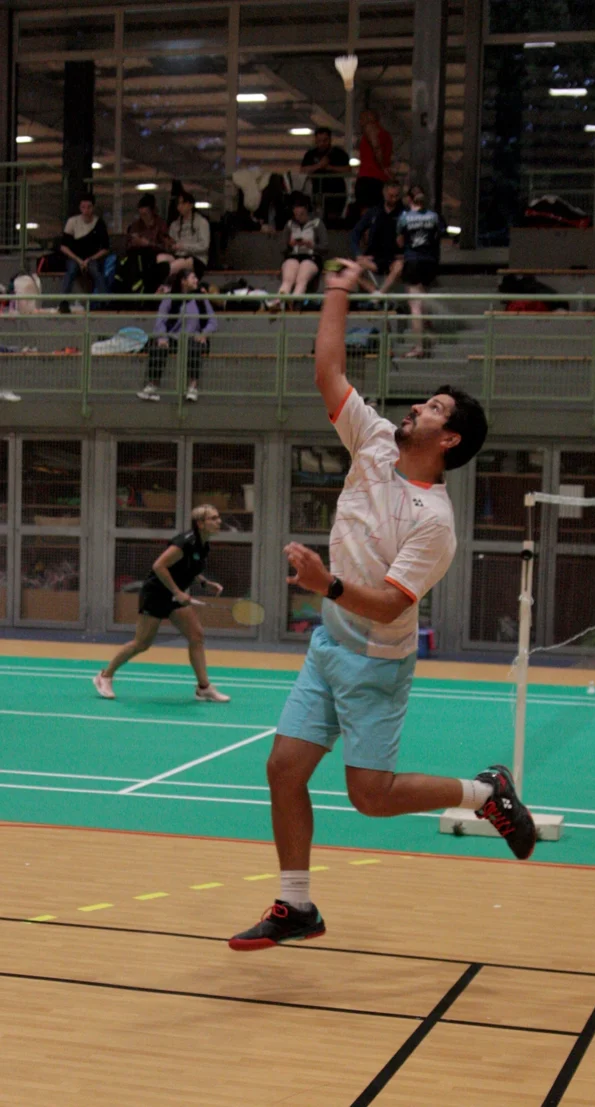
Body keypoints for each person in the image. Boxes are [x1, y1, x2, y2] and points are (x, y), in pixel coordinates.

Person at [228, 258, 536, 952]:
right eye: (424, 401)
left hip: (375, 660)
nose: (417, 407)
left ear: (448, 440)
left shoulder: (435, 523)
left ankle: (484, 792)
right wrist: (337, 289)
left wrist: (326, 584)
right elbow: (328, 370)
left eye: (433, 409)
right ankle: (296, 905)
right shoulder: (372, 440)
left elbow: (393, 607)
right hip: (328, 645)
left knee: (370, 796)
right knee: (283, 768)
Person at [93, 505, 230, 703]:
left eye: (218, 517)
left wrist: (204, 583)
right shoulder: (185, 542)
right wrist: (177, 592)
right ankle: (105, 676)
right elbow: (159, 566)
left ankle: (204, 688)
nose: (219, 522)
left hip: (174, 597)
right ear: (200, 523)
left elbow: (187, 568)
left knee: (196, 636)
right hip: (156, 594)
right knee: (142, 643)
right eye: (214, 518)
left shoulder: (203, 544)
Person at [137, 270, 217, 403]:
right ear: (183, 281)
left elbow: (213, 321)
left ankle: (192, 387)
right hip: (173, 337)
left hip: (193, 337)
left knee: (194, 348)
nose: (196, 280)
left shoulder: (201, 298)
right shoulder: (170, 298)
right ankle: (152, 386)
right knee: (158, 347)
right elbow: (160, 321)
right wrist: (162, 338)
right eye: (193, 278)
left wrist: (204, 333)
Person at [396, 185, 445, 358]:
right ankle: (427, 329)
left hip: (413, 261)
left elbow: (400, 242)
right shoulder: (434, 216)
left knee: (415, 306)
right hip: (430, 262)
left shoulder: (404, 217)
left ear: (409, 199)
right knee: (424, 297)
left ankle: (418, 347)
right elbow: (439, 236)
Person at [267, 193, 328, 311]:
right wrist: (290, 245)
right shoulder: (290, 225)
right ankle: (279, 301)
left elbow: (325, 247)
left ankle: (294, 301)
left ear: (306, 210)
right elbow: (282, 249)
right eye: (296, 215)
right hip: (294, 255)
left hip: (311, 257)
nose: (299, 217)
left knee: (302, 278)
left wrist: (311, 245)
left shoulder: (317, 223)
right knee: (288, 279)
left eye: (302, 214)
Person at [350, 180, 405, 297]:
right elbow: (355, 233)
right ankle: (374, 292)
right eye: (391, 196)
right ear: (384, 193)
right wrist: (358, 254)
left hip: (394, 258)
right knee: (352, 269)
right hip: (374, 257)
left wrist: (406, 251)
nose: (394, 199)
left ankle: (380, 294)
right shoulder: (373, 212)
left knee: (399, 266)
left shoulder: (404, 213)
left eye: (396, 196)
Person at [60, 193, 110, 299]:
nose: (86, 211)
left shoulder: (99, 223)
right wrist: (78, 260)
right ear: (79, 208)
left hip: (92, 259)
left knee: (96, 272)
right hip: (75, 258)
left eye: (89, 207)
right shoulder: (72, 222)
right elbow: (64, 246)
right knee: (71, 271)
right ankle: (63, 301)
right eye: (83, 207)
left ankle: (105, 301)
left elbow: (105, 248)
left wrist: (90, 259)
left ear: (93, 207)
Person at [300, 127, 350, 225]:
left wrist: (329, 167)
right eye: (319, 140)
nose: (322, 143)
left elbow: (347, 170)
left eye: (325, 140)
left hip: (335, 193)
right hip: (317, 192)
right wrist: (319, 166)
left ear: (330, 139)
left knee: (333, 220)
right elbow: (303, 170)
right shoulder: (310, 154)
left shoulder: (338, 153)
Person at [355, 110, 393, 214]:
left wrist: (383, 167)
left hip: (370, 179)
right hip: (377, 179)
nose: (360, 122)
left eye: (362, 119)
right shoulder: (384, 134)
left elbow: (376, 148)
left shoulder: (370, 128)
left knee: (368, 213)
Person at [167, 190, 211, 279]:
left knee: (174, 266)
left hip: (196, 259)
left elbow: (204, 246)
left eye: (183, 203)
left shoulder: (201, 222)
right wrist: (170, 245)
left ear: (190, 205)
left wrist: (183, 247)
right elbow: (171, 244)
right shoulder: (174, 225)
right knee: (161, 259)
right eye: (178, 204)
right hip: (178, 256)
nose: (180, 206)